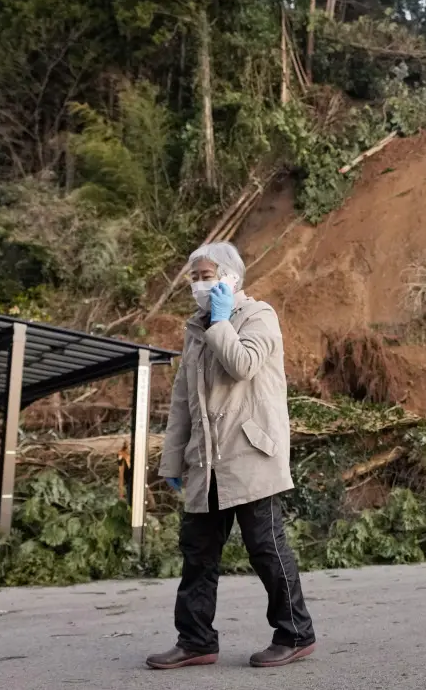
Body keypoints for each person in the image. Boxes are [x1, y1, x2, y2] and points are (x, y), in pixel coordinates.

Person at [145, 241, 316, 670]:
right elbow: (182, 402)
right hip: (207, 460)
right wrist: (172, 463)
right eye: (194, 277)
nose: (199, 284)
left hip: (251, 453)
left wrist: (221, 322)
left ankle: (296, 633)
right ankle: (196, 639)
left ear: (231, 278)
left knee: (265, 546)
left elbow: (243, 364)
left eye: (207, 275)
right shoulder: (195, 330)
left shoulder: (258, 316)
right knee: (197, 551)